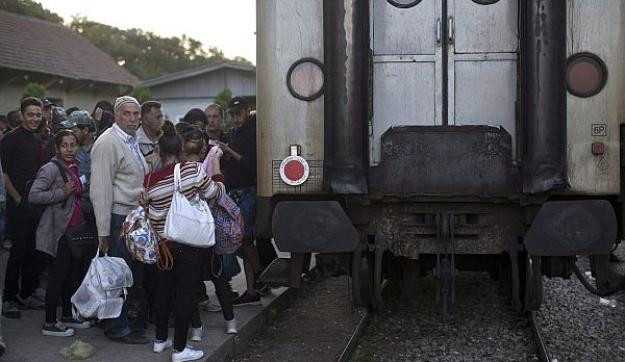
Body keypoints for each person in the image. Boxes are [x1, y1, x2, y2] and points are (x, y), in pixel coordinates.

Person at [144, 121, 234, 362]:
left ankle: (160, 341)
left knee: (163, 294)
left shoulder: (149, 179)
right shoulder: (191, 171)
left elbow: (148, 210)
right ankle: (180, 350)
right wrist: (217, 173)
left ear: (159, 152)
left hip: (163, 246)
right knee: (185, 295)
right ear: (181, 149)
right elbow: (215, 193)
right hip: (187, 244)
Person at [90, 95, 149, 344]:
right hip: (117, 218)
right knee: (119, 275)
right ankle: (117, 327)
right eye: (127, 114)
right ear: (116, 115)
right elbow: (100, 189)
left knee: (128, 275)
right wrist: (103, 231)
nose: (133, 119)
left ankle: (118, 322)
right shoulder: (108, 142)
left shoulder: (130, 139)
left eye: (136, 114)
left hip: (133, 217)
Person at [29, 130, 92, 337]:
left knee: (72, 275)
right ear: (57, 148)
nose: (69, 149)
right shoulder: (50, 168)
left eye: (72, 145)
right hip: (60, 232)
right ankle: (49, 322)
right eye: (64, 145)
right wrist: (62, 192)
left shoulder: (73, 166)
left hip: (74, 230)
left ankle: (67, 314)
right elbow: (34, 195)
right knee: (58, 276)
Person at [218, 97, 266, 306]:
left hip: (247, 190)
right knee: (242, 240)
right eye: (233, 114)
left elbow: (252, 165)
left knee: (244, 239)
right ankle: (253, 289)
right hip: (235, 190)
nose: (236, 118)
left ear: (248, 111)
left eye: (239, 114)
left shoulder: (253, 132)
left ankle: (260, 273)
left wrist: (229, 152)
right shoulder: (236, 133)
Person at [1, 97, 45, 318]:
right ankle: (8, 298)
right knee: (17, 253)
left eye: (38, 114)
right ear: (21, 114)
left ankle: (26, 294)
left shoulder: (37, 139)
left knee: (33, 252)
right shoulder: (10, 139)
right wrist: (18, 200)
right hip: (18, 204)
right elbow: (5, 174)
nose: (35, 118)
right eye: (31, 114)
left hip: (35, 204)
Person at [137, 101, 164, 172]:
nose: (162, 120)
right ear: (145, 119)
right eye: (158, 117)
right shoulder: (134, 142)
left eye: (162, 117)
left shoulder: (167, 138)